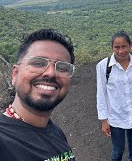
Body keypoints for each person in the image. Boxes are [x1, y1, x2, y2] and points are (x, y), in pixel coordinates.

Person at [0, 29, 76, 160]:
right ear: (15, 74)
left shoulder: (55, 132)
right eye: (38, 63)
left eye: (62, 67)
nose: (51, 73)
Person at [96, 31, 132, 161]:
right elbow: (101, 93)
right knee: (117, 151)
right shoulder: (104, 66)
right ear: (112, 48)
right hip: (115, 115)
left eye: (124, 46)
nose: (121, 51)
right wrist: (103, 120)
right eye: (117, 47)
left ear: (130, 45)